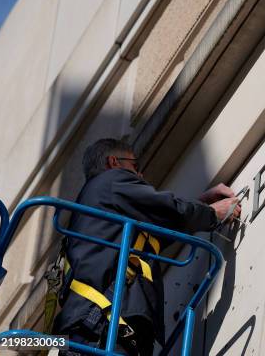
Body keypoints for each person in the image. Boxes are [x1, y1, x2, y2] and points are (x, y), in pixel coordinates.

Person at [53, 138, 239, 355]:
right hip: (102, 327)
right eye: (135, 167)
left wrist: (201, 204)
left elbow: (157, 231)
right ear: (114, 162)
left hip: (88, 330)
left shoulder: (97, 211)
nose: (140, 176)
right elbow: (166, 208)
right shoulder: (111, 180)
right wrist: (211, 214)